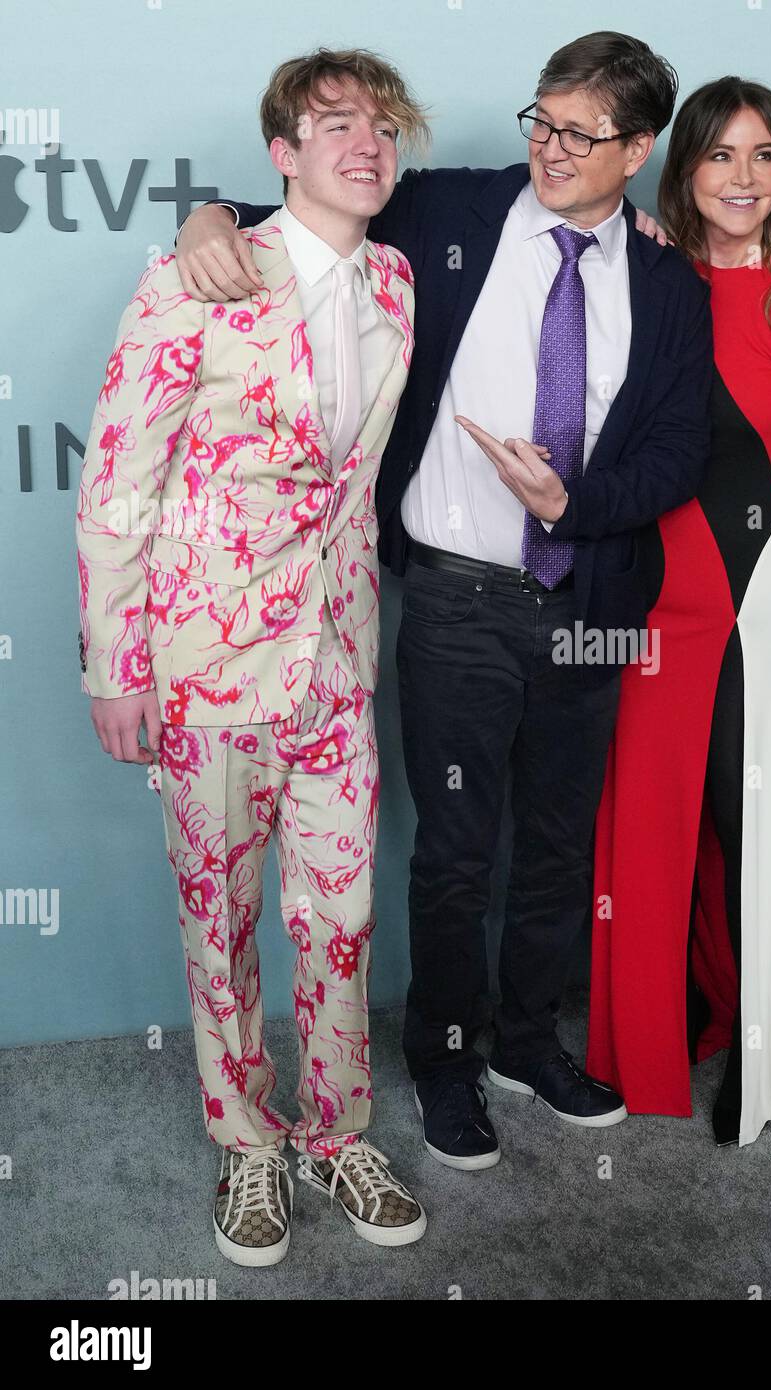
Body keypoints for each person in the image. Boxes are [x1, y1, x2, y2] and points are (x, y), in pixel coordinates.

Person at [174, 31, 713, 1170]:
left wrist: (573, 500)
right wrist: (207, 219)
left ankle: (529, 1040)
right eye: (543, 122)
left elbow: (678, 448)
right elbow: (309, 201)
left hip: (592, 599)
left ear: (639, 151)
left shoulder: (666, 279)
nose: (553, 150)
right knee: (457, 850)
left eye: (583, 134)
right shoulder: (452, 213)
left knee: (560, 847)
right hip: (459, 603)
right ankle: (448, 1056)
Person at [76, 49, 429, 1265]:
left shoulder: (395, 281)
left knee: (340, 912)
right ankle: (248, 1143)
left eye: (383, 126)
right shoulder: (199, 276)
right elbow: (119, 477)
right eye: (335, 124)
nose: (365, 143)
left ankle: (337, 1131)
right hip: (205, 657)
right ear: (283, 152)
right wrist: (113, 662)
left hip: (338, 655)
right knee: (217, 920)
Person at [588, 78, 771, 1148]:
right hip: (642, 594)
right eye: (721, 156)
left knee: (744, 818)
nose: (744, 178)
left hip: (758, 594)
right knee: (651, 826)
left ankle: (764, 1055)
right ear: (685, 168)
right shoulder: (642, 274)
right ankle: (654, 1035)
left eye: (764, 157)